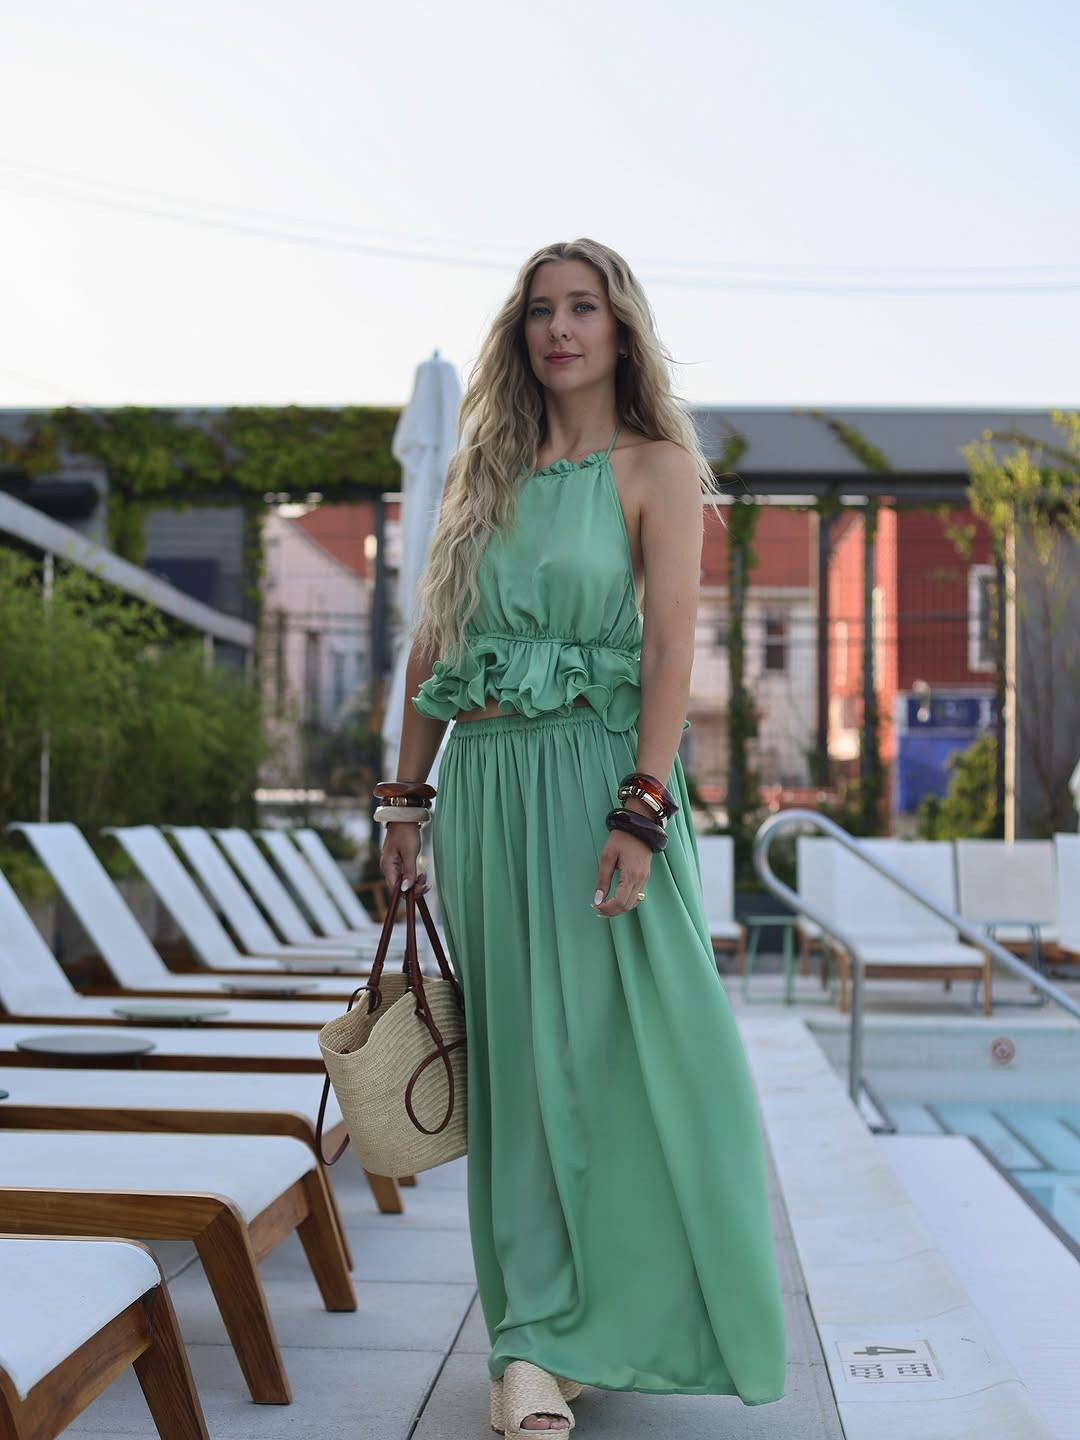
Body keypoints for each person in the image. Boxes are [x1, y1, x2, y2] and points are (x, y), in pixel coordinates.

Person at [380, 238, 785, 1437]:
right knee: (520, 1067)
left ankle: (631, 1316)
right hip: (491, 789)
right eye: (543, 311)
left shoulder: (657, 468)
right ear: (523, 334)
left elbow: (670, 653)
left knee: (649, 1062)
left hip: (605, 790)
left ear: (620, 331)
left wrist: (642, 809)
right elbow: (430, 645)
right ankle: (533, 1346)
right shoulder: (482, 473)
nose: (561, 329)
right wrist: (403, 801)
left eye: (585, 309)